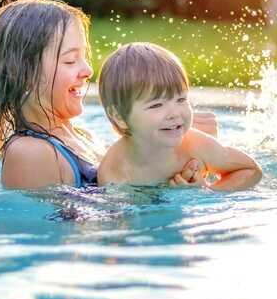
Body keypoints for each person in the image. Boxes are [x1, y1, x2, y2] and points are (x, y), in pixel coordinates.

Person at [0, 0, 216, 190]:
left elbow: (123, 189)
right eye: (70, 60)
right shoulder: (29, 154)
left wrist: (182, 155)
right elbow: (66, 234)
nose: (88, 70)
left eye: (84, 56)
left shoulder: (81, 135)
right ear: (21, 73)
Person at [97, 42, 262, 191]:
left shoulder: (194, 147)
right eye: (156, 105)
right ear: (119, 117)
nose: (175, 113)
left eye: (181, 99)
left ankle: (208, 131)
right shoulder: (114, 172)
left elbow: (252, 170)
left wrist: (208, 191)